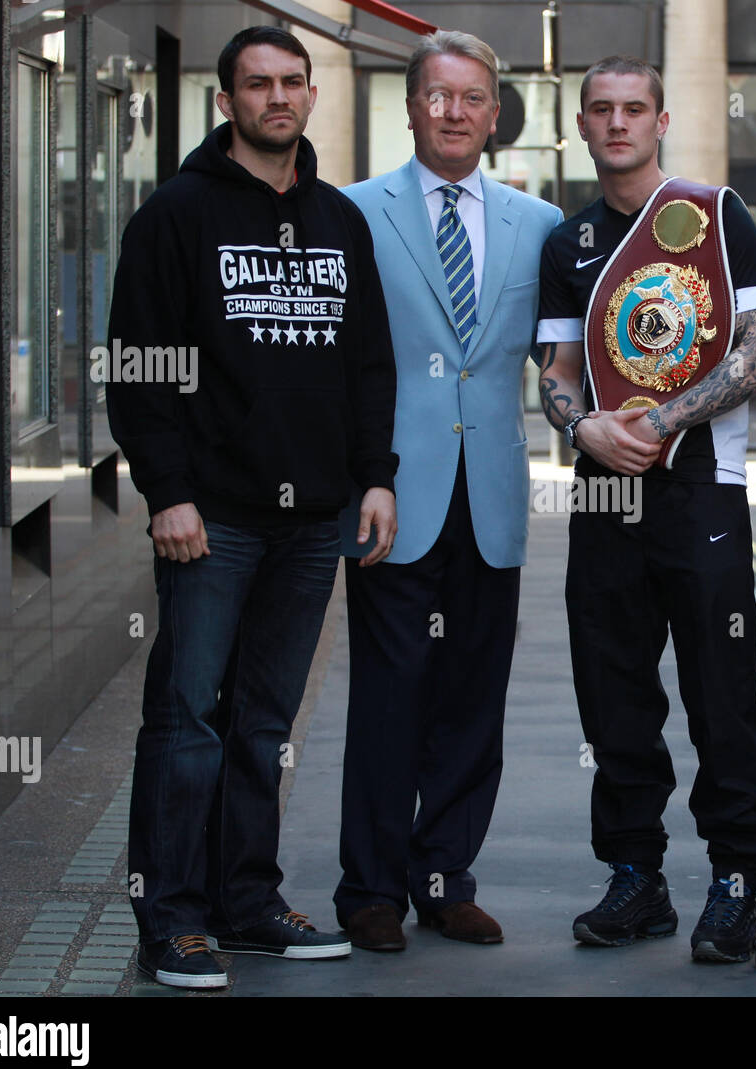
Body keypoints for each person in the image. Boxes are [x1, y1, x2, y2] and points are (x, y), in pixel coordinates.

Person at [106, 26, 399, 988]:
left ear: (311, 97)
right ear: (227, 101)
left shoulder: (339, 221)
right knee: (187, 719)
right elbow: (140, 370)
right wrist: (169, 495)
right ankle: (172, 920)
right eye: (256, 84)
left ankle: (247, 904)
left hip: (313, 520)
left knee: (264, 725)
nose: (277, 98)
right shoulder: (175, 216)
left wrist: (375, 476)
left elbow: (366, 367)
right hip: (213, 519)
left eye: (291, 83)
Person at [536, 55, 756, 964]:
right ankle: (635, 876)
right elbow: (558, 373)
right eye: (600, 109)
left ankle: (735, 880)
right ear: (581, 124)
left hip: (701, 486)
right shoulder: (566, 246)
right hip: (603, 486)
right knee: (614, 697)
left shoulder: (718, 218)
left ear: (661, 118)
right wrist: (588, 428)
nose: (616, 123)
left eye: (633, 108)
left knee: (722, 696)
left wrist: (658, 420)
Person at [334, 30, 562, 951]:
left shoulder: (539, 223)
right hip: (391, 497)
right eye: (439, 96)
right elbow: (343, 365)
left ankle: (445, 878)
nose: (456, 112)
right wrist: (359, 478)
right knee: (389, 697)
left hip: (494, 498)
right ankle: (373, 891)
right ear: (411, 105)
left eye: (473, 98)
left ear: (496, 112)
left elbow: (563, 356)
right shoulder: (352, 213)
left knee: (475, 695)